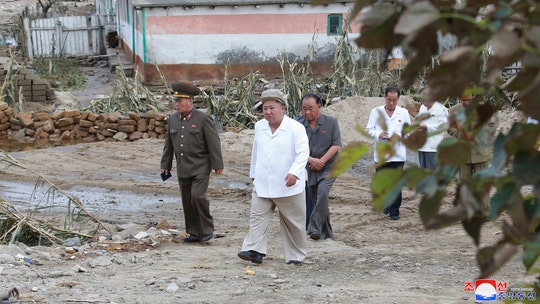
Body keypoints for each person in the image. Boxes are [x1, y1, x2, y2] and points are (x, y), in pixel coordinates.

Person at [238, 89, 309, 266]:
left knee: (294, 223)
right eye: (265, 108)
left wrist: (294, 172)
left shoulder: (295, 128)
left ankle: (296, 255)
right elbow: (256, 152)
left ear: (283, 108)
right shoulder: (260, 126)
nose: (268, 112)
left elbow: (303, 153)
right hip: (263, 183)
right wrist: (253, 173)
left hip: (288, 184)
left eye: (272, 108)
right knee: (257, 218)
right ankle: (254, 250)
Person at [160, 81, 224, 243]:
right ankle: (194, 233)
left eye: (179, 100)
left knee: (197, 197)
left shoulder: (203, 118)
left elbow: (213, 142)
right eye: (175, 101)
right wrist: (165, 166)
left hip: (201, 166)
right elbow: (169, 145)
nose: (176, 104)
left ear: (190, 101)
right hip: (183, 167)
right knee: (187, 201)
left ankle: (207, 229)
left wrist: (217, 164)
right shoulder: (173, 119)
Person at [366, 87, 411, 220]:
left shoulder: (403, 113)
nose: (391, 103)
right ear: (384, 97)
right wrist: (379, 134)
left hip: (397, 153)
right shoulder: (376, 112)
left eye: (394, 100)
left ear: (398, 99)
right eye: (389, 100)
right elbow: (369, 129)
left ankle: (395, 211)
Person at [300, 93, 341, 240]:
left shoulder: (331, 122)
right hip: (310, 169)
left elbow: (336, 145)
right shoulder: (299, 126)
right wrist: (311, 160)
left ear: (319, 107)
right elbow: (295, 149)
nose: (307, 112)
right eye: (304, 109)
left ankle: (313, 227)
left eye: (311, 108)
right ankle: (326, 234)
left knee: (322, 193)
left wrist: (321, 161)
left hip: (329, 167)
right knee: (318, 201)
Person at [447, 93, 497, 179]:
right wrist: (461, 134)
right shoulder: (454, 110)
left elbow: (491, 125)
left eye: (469, 100)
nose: (466, 103)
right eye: (463, 100)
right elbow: (450, 128)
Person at [417, 88, 448, 169]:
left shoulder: (441, 109)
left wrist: (427, 127)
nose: (422, 101)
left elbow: (444, 126)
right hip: (422, 145)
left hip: (433, 147)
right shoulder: (422, 108)